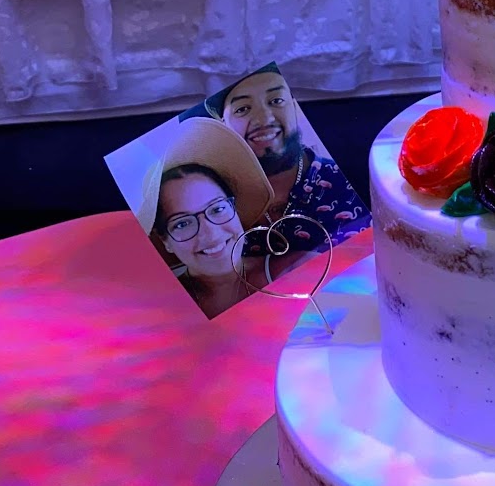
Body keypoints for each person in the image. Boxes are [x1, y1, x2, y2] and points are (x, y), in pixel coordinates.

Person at [206, 64, 369, 252]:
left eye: (276, 100)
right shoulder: (213, 203)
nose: (264, 119)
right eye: (242, 109)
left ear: (294, 106)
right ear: (223, 125)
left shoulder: (348, 178)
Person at [136, 119, 272, 320]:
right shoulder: (157, 312)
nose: (211, 233)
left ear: (234, 208)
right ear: (165, 241)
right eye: (182, 223)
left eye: (217, 209)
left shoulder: (294, 267)